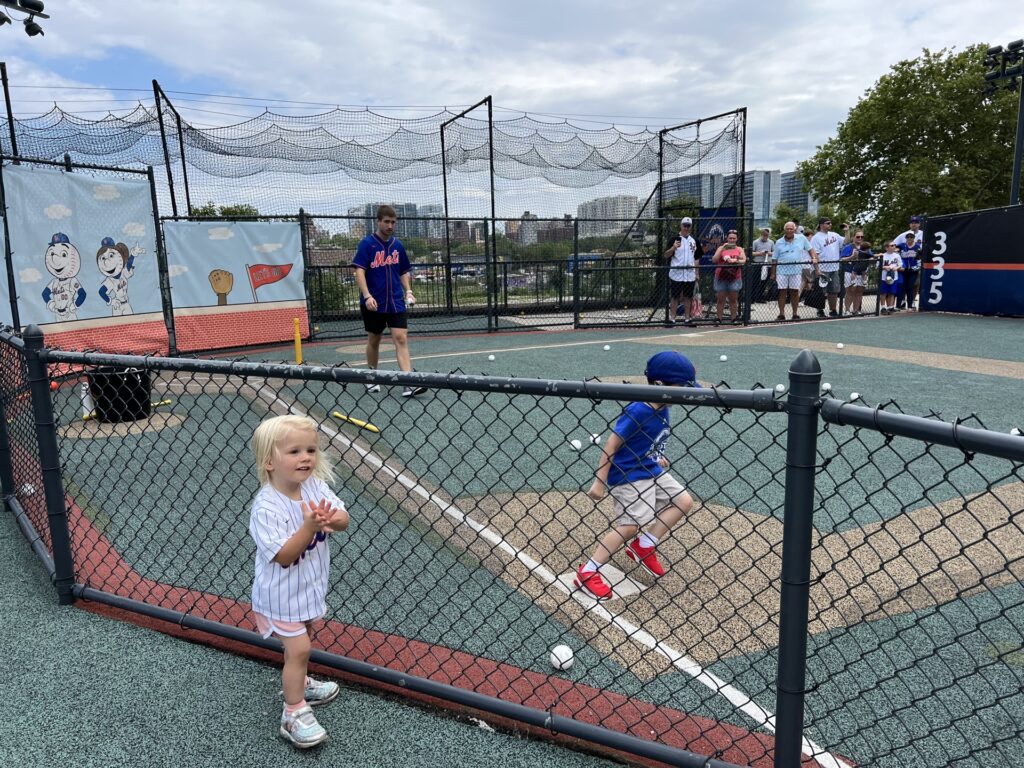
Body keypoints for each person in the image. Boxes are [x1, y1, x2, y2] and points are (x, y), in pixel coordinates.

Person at [249, 414, 350, 748]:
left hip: (307, 587)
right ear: (269, 462)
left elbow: (342, 519)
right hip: (280, 595)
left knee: (305, 636)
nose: (306, 457)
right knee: (300, 649)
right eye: (294, 452)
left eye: (310, 449)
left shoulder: (314, 487)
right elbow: (283, 556)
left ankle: (301, 682)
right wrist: (309, 526)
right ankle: (293, 712)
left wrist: (332, 519)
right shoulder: (266, 506)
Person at [573, 351, 697, 601]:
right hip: (629, 474)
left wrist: (656, 455)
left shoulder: (663, 406)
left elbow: (647, 440)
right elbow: (611, 445)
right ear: (660, 385)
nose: (685, 392)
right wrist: (599, 481)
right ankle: (588, 571)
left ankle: (645, 545)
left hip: (649, 467)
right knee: (629, 526)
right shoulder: (639, 410)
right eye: (681, 386)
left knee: (683, 501)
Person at [352, 204, 427, 397]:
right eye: (387, 222)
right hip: (374, 302)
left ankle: (408, 382)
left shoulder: (398, 246)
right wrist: (367, 295)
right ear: (378, 221)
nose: (390, 226)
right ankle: (371, 377)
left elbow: (403, 271)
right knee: (374, 339)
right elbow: (359, 271)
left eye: (393, 222)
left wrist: (409, 291)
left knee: (401, 338)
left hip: (395, 301)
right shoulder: (367, 244)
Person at [771, 221, 816, 321]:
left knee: (795, 292)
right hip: (781, 270)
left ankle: (795, 314)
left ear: (794, 229)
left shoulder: (801, 238)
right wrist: (773, 273)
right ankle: (781, 314)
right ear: (784, 230)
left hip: (796, 270)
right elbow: (774, 258)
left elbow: (810, 249)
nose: (789, 230)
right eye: (787, 228)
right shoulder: (779, 242)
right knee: (782, 292)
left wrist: (813, 257)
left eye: (791, 228)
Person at [664, 217, 701, 325]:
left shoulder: (694, 240)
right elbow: (666, 255)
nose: (686, 228)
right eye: (684, 225)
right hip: (677, 272)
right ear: (681, 226)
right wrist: (673, 248)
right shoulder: (674, 239)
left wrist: (697, 272)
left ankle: (687, 318)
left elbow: (697, 257)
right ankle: (672, 318)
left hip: (689, 273)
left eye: (688, 226)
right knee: (675, 296)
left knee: (688, 296)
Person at [810, 218, 844, 317]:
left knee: (833, 291)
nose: (830, 224)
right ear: (821, 225)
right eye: (827, 223)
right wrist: (817, 269)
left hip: (834, 267)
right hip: (822, 268)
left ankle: (833, 310)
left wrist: (847, 231)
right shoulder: (816, 238)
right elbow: (815, 254)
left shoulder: (834, 235)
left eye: (830, 223)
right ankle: (820, 310)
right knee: (821, 292)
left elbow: (846, 241)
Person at [712, 229, 746, 323]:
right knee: (720, 299)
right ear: (727, 238)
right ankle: (719, 318)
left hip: (734, 277)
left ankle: (734, 318)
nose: (732, 240)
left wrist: (736, 261)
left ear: (736, 239)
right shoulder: (721, 247)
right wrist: (722, 248)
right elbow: (714, 260)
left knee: (733, 299)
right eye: (730, 238)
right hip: (721, 276)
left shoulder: (739, 249)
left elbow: (743, 260)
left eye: (733, 238)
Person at [897, 232, 922, 310]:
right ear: (906, 238)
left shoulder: (917, 247)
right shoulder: (902, 245)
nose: (909, 239)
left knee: (910, 287)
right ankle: (900, 304)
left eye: (911, 237)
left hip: (913, 271)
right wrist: (896, 250)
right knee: (902, 286)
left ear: (914, 238)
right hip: (903, 270)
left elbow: (920, 261)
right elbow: (894, 249)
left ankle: (910, 304)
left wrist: (915, 268)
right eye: (908, 237)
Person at [751, 227, 775, 303]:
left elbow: (774, 253)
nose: (765, 237)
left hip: (767, 264)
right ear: (761, 234)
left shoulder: (771, 242)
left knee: (764, 282)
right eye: (764, 235)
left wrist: (768, 253)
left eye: (767, 235)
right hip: (758, 263)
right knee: (755, 281)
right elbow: (751, 253)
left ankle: (760, 298)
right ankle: (753, 298)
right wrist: (760, 253)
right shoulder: (755, 242)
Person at [879, 241, 903, 313]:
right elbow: (878, 266)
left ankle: (890, 306)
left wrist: (897, 268)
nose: (893, 247)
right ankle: (883, 307)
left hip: (893, 277)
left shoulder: (897, 255)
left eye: (894, 245)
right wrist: (885, 267)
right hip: (884, 277)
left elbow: (900, 264)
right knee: (883, 292)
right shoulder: (883, 256)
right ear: (886, 247)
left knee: (892, 292)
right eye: (891, 245)